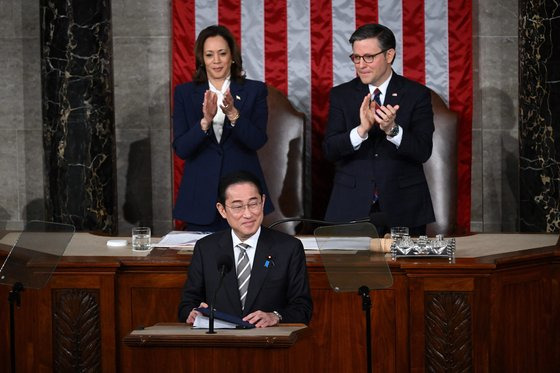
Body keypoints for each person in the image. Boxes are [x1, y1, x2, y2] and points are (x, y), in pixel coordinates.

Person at [323, 23, 435, 237]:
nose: (361, 65)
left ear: (389, 55)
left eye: (368, 57)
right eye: (356, 57)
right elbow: (330, 150)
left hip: (404, 207)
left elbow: (423, 151)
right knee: (351, 272)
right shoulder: (341, 95)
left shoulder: (416, 94)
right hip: (350, 207)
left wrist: (393, 130)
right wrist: (361, 130)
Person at [178, 170, 313, 327]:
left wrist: (276, 316)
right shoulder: (206, 248)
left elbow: (303, 308)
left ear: (262, 202)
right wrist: (192, 313)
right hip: (220, 343)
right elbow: (186, 304)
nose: (248, 214)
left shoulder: (288, 248)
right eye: (238, 207)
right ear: (222, 210)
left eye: (253, 204)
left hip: (269, 343)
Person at [172, 25, 273, 232]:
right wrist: (205, 122)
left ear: (232, 56)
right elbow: (181, 149)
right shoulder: (184, 93)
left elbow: (257, 141)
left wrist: (234, 114)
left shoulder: (255, 90)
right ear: (201, 59)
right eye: (209, 55)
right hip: (199, 197)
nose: (216, 61)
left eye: (222, 53)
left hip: (242, 198)